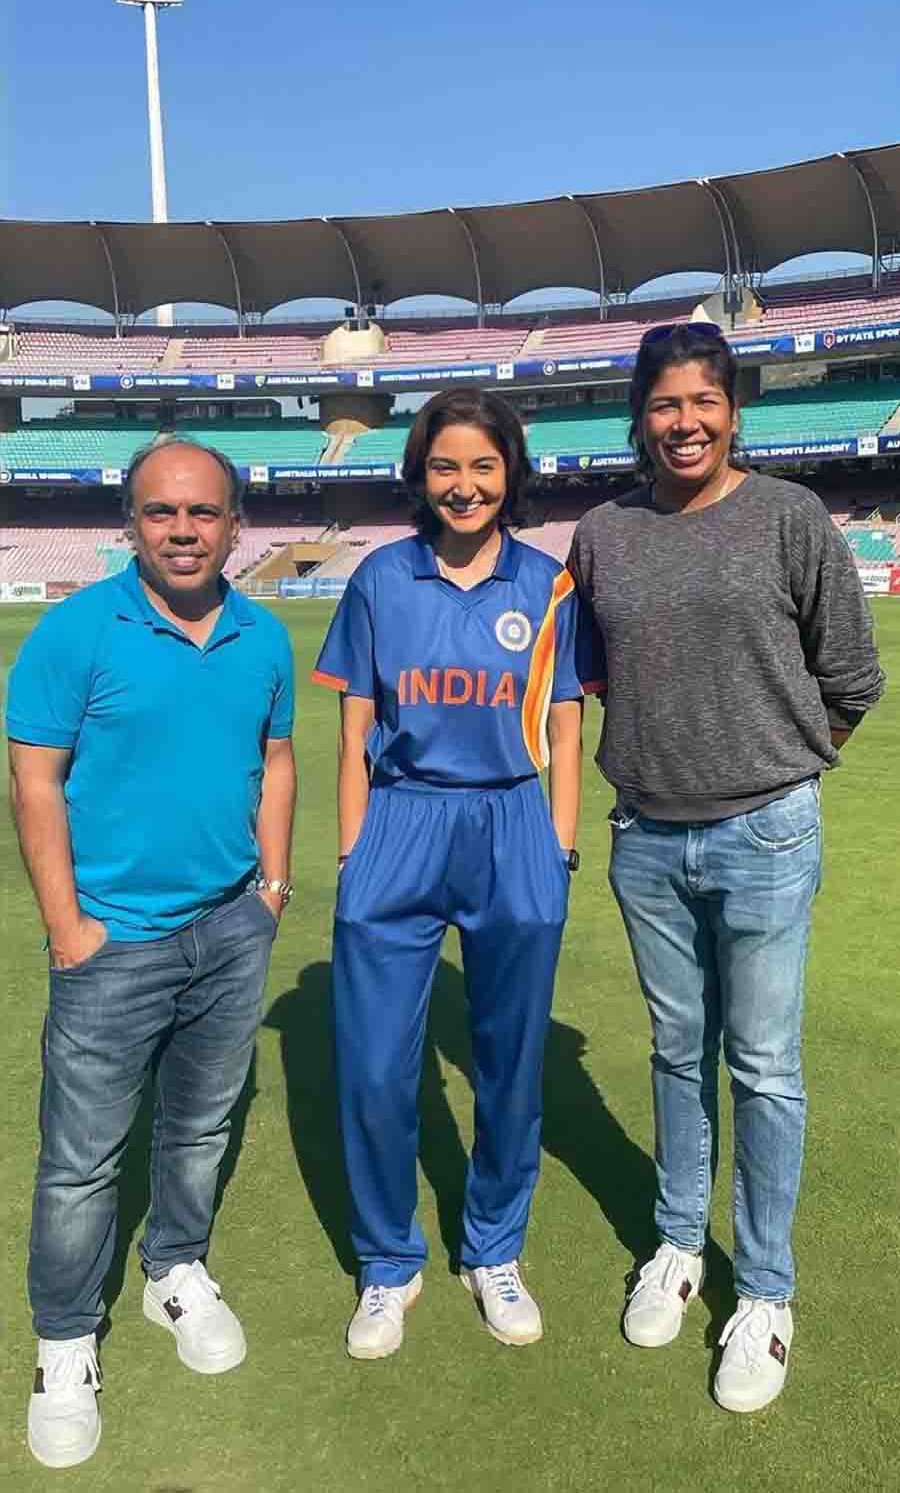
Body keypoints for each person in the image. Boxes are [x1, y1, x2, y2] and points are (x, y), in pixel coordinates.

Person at [568, 323, 884, 1413]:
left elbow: (851, 676)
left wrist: (779, 773)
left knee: (762, 1066)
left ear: (734, 411)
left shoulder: (790, 517)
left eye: (704, 400)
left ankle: (766, 1292)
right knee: (674, 1054)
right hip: (646, 839)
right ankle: (674, 1244)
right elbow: (593, 679)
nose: (684, 421)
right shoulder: (602, 531)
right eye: (664, 404)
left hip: (763, 835)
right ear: (641, 416)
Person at [7, 439, 296, 1469]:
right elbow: (35, 780)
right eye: (162, 512)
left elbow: (275, 758)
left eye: (204, 513)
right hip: (113, 940)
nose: (183, 530)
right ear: (130, 522)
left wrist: (271, 888)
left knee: (199, 1128)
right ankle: (65, 1342)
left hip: (230, 927)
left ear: (234, 524)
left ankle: (174, 1269)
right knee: (82, 1166)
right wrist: (67, 928)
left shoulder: (263, 636)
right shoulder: (76, 631)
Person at [312, 387, 598, 1359]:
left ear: (510, 473)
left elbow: (566, 720)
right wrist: (355, 847)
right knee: (377, 1068)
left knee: (510, 1065)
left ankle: (493, 1249)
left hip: (514, 822)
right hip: (401, 821)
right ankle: (388, 1265)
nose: (464, 485)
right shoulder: (381, 579)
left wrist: (558, 844)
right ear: (420, 477)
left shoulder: (549, 584)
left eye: (483, 465)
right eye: (445, 466)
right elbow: (352, 725)